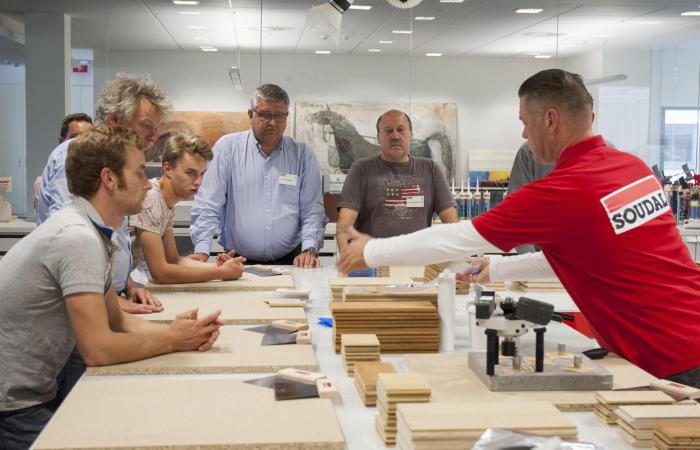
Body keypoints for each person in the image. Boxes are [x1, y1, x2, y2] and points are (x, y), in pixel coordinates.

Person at [337, 68, 700, 386]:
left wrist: (369, 250)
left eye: (525, 122)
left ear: (551, 120)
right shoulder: (633, 168)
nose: (524, 134)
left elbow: (457, 236)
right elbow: (584, 254)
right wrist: (496, 266)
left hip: (670, 358)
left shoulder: (562, 191)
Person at [0, 126, 223, 449]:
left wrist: (176, 332)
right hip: (15, 406)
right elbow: (98, 349)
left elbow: (117, 320)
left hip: (31, 393)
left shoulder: (92, 231)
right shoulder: (77, 238)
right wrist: (173, 339)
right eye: (137, 173)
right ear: (109, 179)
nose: (148, 184)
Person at [37, 73, 171, 313]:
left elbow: (112, 239)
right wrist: (110, 302)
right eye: (145, 126)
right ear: (114, 119)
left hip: (107, 295)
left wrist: (128, 285)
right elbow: (71, 245)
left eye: (156, 128)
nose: (153, 136)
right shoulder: (77, 154)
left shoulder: (118, 161)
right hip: (81, 303)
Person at [190, 84, 327, 268]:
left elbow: (312, 210)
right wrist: (201, 250)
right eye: (265, 115)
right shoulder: (228, 148)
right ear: (250, 115)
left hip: (291, 261)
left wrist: (310, 249)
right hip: (236, 260)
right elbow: (208, 204)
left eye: (279, 116)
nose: (273, 122)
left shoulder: (302, 155)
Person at [335, 109, 458, 253]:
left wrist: (458, 258)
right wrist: (345, 255)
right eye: (388, 131)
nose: (395, 135)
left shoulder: (430, 169)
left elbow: (451, 222)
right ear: (379, 137)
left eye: (401, 129)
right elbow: (345, 221)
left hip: (418, 261)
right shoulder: (361, 169)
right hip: (373, 263)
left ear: (411, 135)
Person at [130, 132, 245, 283]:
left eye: (202, 174)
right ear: (168, 168)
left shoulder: (166, 202)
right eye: (190, 173)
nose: (198, 182)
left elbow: (174, 260)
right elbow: (161, 273)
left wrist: (220, 268)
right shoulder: (151, 199)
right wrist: (220, 272)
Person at [34, 113, 95, 211]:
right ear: (61, 142)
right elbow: (63, 213)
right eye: (75, 138)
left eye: (89, 137)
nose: (83, 143)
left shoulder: (90, 171)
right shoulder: (65, 159)